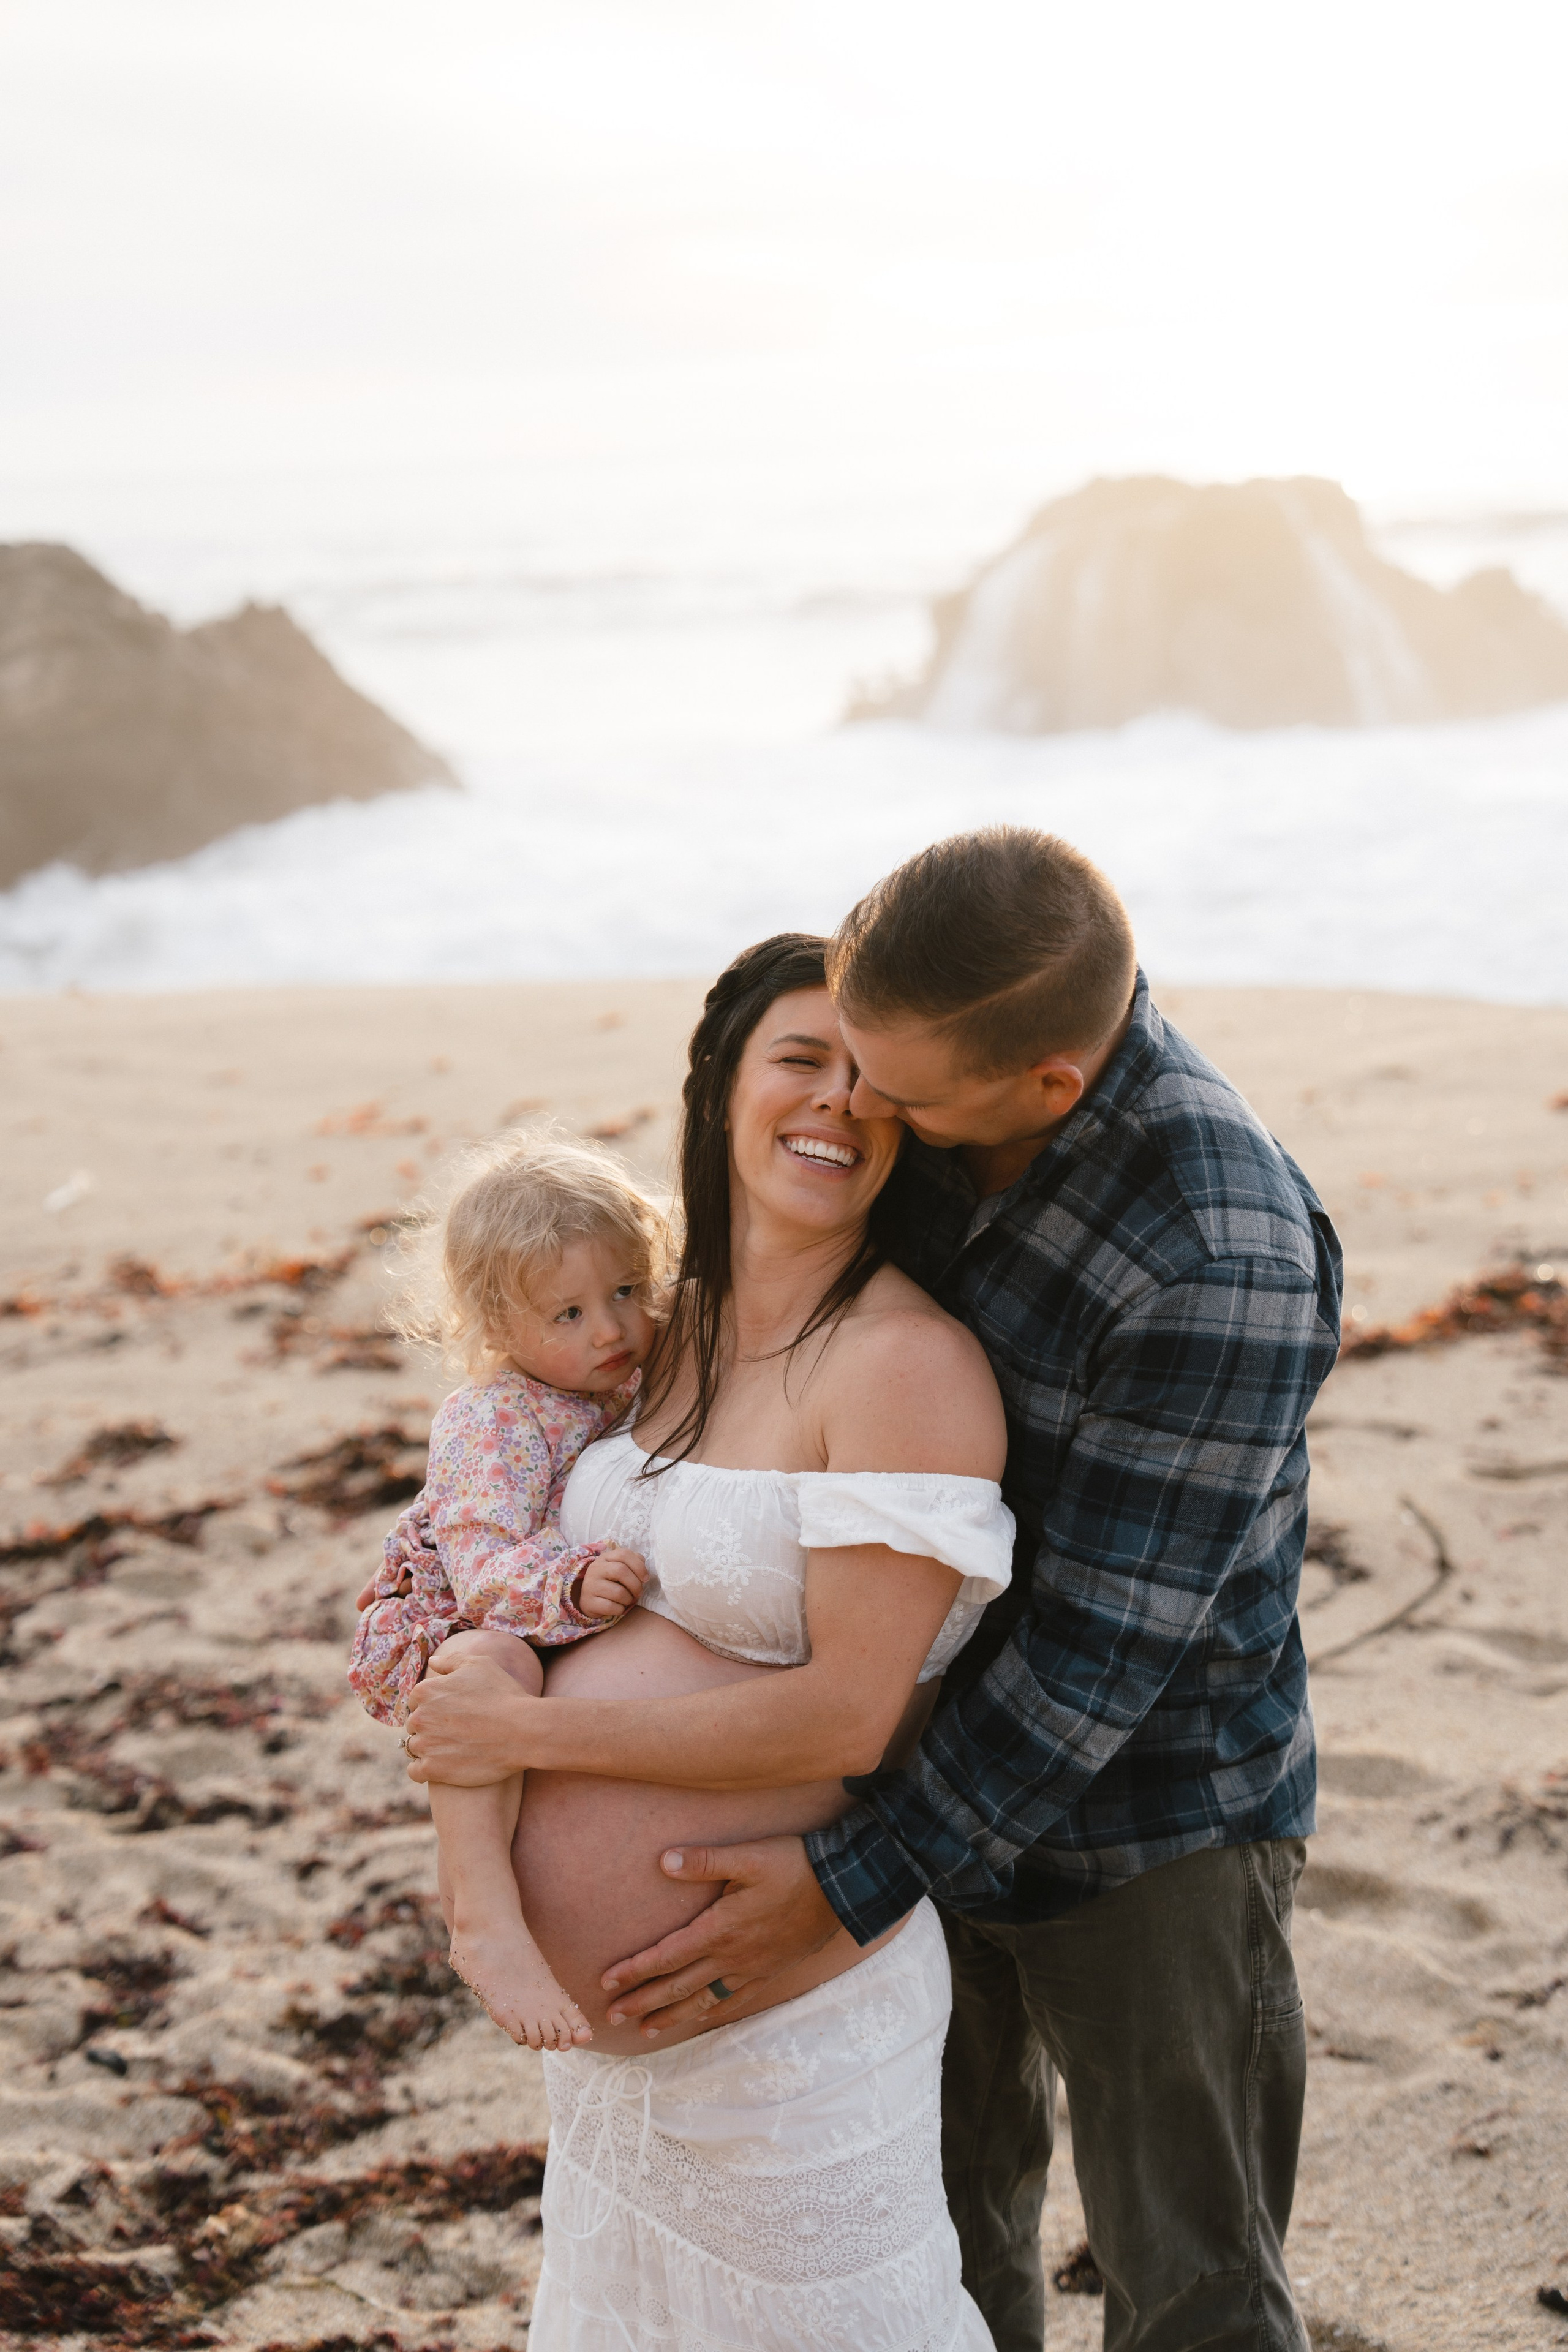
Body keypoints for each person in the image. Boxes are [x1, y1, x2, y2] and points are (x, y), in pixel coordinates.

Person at [597, 830, 1344, 2352]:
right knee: (934, 2240)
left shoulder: (1215, 1253)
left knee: (1186, 2282)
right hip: (903, 1789)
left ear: (1045, 1086)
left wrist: (847, 1879)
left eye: (900, 1096)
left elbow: (1092, 1657)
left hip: (1152, 1822)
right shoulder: (966, 1041)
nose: (865, 1111)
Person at [402, 934, 1014, 2352]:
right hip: (612, 2070)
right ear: (718, 1083)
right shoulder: (651, 1338)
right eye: (800, 1059)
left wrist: (530, 1738)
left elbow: (847, 1718)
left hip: (785, 2022)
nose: (837, 1101)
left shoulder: (901, 1367)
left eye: (873, 1082)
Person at [348, 1131, 660, 2051]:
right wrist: (569, 1580)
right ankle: (481, 1911)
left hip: (547, 1619)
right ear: (496, 1327)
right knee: (484, 1670)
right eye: (566, 1314)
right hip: (471, 1617)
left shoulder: (636, 1370)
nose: (609, 1329)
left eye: (627, 1292)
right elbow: (483, 1572)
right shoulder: (494, 1417)